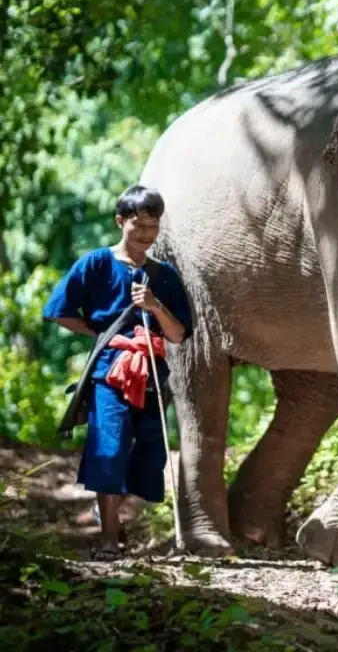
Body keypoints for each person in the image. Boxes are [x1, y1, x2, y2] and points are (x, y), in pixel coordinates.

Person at [43, 185, 193, 560]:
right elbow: (58, 311)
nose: (146, 233)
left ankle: (107, 509)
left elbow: (179, 334)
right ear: (119, 221)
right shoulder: (96, 264)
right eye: (138, 224)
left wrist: (155, 307)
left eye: (153, 225)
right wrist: (101, 335)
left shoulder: (164, 276)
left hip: (151, 374)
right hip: (108, 373)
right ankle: (108, 538)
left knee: (151, 455)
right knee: (108, 450)